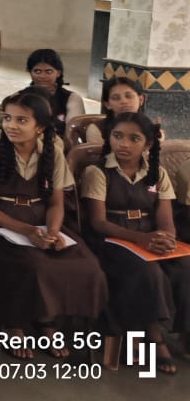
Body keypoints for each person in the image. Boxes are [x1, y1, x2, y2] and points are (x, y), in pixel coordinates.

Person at [0, 91, 106, 358]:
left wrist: (51, 231)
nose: (11, 126)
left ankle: (50, 320)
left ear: (39, 127)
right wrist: (28, 231)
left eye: (22, 120)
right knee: (33, 264)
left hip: (41, 221)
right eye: (8, 118)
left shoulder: (52, 153)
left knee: (86, 264)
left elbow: (56, 203)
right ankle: (15, 324)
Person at [81, 112, 189, 375]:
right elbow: (98, 222)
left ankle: (185, 333)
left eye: (134, 138)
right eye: (117, 136)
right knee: (147, 272)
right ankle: (154, 336)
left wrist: (166, 239)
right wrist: (141, 239)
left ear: (148, 144)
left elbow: (165, 218)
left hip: (149, 237)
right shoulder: (98, 172)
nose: (124, 144)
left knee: (185, 269)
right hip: (113, 239)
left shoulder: (157, 173)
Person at [24, 48, 85, 135]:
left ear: (58, 73)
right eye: (37, 71)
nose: (42, 76)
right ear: (30, 72)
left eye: (48, 71)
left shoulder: (72, 99)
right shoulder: (20, 97)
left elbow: (72, 132)